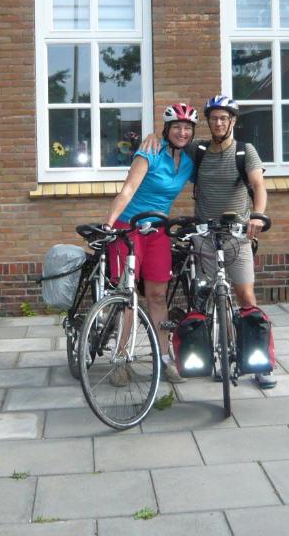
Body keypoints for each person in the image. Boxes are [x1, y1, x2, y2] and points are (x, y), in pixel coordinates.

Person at [142, 94, 274, 389]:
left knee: (245, 298)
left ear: (232, 122)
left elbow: (258, 186)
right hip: (203, 238)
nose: (218, 123)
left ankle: (259, 363)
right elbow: (172, 140)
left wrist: (258, 215)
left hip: (237, 236)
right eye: (213, 118)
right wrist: (153, 135)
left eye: (224, 118)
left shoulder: (245, 151)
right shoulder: (198, 149)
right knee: (211, 298)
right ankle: (223, 354)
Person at [103, 102, 198, 384]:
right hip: (129, 228)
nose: (182, 132)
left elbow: (216, 157)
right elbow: (128, 190)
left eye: (188, 128)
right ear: (166, 129)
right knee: (128, 295)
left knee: (158, 296)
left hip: (159, 232)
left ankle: (165, 359)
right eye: (177, 127)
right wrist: (109, 224)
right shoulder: (150, 153)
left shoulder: (190, 162)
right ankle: (120, 358)